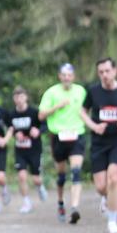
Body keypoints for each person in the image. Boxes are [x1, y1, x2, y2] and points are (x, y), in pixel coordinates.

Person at [80, 57, 117, 233]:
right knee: (100, 186)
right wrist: (94, 126)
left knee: (114, 179)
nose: (104, 75)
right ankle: (107, 198)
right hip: (99, 142)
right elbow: (82, 111)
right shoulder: (93, 91)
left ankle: (112, 222)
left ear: (114, 71)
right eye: (101, 72)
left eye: (107, 71)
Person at [38, 63, 87, 223]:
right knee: (61, 176)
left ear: (73, 76)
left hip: (77, 134)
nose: (67, 78)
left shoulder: (80, 91)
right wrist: (57, 107)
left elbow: (87, 110)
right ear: (60, 76)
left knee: (76, 172)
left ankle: (74, 208)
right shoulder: (51, 92)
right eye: (64, 75)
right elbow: (41, 115)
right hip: (58, 137)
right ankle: (60, 203)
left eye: (70, 75)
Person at [9, 86, 47, 213]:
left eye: (21, 96)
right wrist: (15, 134)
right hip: (20, 150)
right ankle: (26, 202)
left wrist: (38, 131)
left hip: (35, 150)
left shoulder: (34, 112)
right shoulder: (12, 114)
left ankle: (40, 186)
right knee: (21, 176)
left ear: (26, 97)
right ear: (14, 99)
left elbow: (45, 125)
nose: (18, 99)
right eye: (16, 97)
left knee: (36, 178)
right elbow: (10, 129)